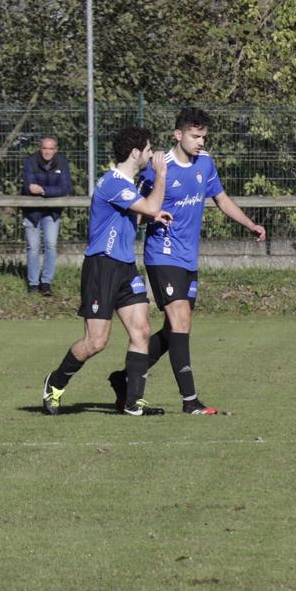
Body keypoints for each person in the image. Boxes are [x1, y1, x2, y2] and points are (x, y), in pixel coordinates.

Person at [115, 106, 267, 416]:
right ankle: (190, 401)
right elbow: (138, 207)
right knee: (181, 321)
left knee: (174, 331)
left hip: (188, 259)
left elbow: (221, 199)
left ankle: (125, 380)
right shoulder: (159, 167)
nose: (200, 142)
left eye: (204, 137)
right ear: (178, 134)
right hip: (163, 255)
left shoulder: (206, 164)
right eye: (195, 136)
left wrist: (249, 224)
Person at [39, 126, 172, 417]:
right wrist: (160, 177)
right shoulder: (113, 182)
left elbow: (135, 215)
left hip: (125, 267)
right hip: (102, 266)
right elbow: (149, 204)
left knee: (142, 330)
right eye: (149, 151)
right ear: (136, 153)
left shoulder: (127, 185)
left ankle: (133, 402)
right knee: (96, 341)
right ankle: (55, 382)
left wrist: (150, 214)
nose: (151, 156)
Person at [20, 135, 71, 296]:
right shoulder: (30, 161)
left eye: (51, 148)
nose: (47, 152)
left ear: (55, 150)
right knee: (33, 247)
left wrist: (43, 191)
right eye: (44, 148)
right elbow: (29, 187)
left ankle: (46, 283)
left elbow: (64, 188)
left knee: (50, 245)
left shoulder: (62, 163)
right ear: (40, 148)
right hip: (32, 212)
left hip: (52, 212)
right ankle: (33, 284)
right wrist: (46, 191)